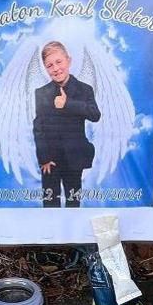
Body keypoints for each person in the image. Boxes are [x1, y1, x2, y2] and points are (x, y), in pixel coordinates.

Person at [33, 41, 100, 208]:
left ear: (68, 61)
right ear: (45, 69)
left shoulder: (85, 90)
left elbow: (95, 115)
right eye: (49, 65)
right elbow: (38, 127)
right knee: (50, 202)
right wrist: (44, 159)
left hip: (74, 159)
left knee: (73, 201)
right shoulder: (41, 93)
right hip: (50, 161)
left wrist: (68, 104)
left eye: (58, 62)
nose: (55, 68)